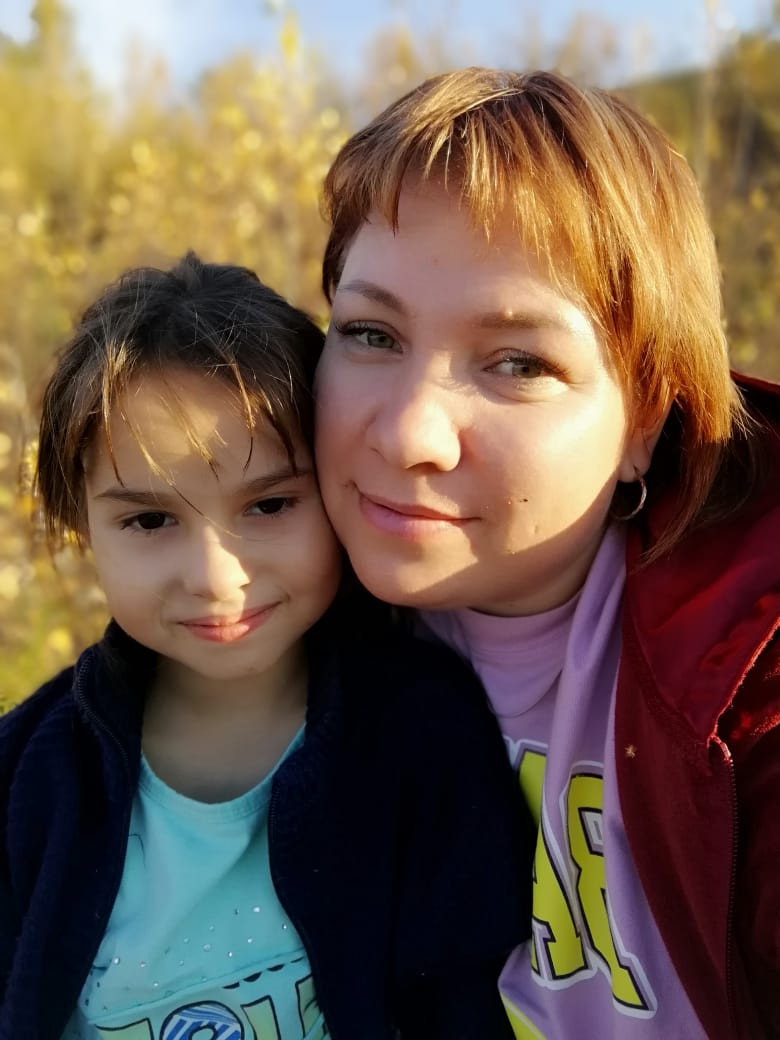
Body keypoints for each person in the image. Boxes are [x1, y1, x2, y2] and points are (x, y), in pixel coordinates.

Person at [314, 68, 780, 1040]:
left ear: (646, 419)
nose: (408, 434)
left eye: (518, 362)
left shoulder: (752, 677)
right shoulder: (270, 605)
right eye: (370, 333)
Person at [0, 252, 532, 1040]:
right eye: (149, 521)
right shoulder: (28, 780)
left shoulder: (424, 735)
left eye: (271, 505)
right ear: (81, 525)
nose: (217, 579)